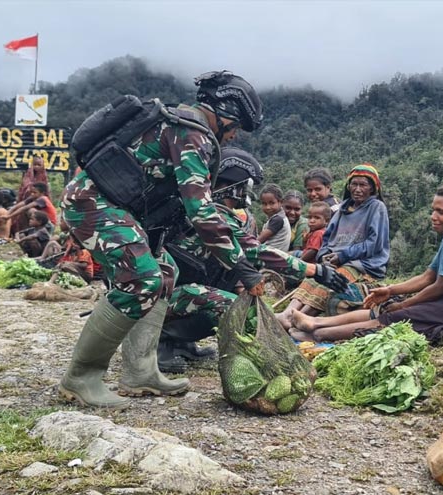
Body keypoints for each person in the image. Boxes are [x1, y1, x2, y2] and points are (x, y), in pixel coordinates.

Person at [59, 71, 269, 408]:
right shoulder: (193, 135)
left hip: (119, 208)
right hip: (93, 204)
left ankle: (140, 372)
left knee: (164, 273)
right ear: (225, 114)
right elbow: (201, 212)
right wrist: (242, 267)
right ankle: (81, 378)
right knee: (142, 279)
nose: (232, 137)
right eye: (234, 128)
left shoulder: (182, 124)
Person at [162, 147, 348, 371]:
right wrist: (315, 270)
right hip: (168, 298)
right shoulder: (213, 217)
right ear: (235, 186)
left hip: (184, 290)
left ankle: (182, 342)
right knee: (233, 307)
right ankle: (161, 344)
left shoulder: (216, 213)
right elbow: (258, 250)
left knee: (240, 291)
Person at [290, 183, 443, 344]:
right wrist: (390, 291)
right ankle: (315, 321)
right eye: (433, 210)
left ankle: (320, 335)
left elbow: (439, 287)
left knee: (398, 316)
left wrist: (404, 303)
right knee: (386, 306)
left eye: (441, 212)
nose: (433, 217)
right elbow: (428, 276)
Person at [277, 164, 390, 330]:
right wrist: (324, 255)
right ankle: (288, 313)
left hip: (362, 264)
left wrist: (343, 256)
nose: (357, 189)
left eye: (363, 185)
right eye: (354, 184)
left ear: (373, 188)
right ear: (348, 186)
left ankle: (304, 317)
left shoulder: (376, 208)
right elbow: (327, 238)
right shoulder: (342, 209)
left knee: (333, 278)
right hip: (337, 260)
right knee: (316, 276)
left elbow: (374, 244)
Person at [257, 183, 291, 252]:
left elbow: (259, 240)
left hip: (272, 257)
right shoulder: (279, 217)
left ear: (280, 202)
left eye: (272, 203)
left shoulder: (278, 219)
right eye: (264, 203)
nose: (268, 207)